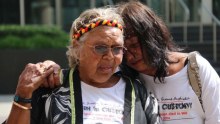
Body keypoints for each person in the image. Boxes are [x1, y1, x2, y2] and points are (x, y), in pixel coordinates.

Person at [4, 6, 160, 124]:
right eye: (100, 48)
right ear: (77, 48)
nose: (110, 56)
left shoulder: (139, 93)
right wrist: (22, 95)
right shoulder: (51, 88)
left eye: (117, 48)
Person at [118, 1, 220, 124]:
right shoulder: (125, 81)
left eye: (134, 45)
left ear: (151, 37)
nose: (129, 57)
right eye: (122, 50)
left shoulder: (195, 67)